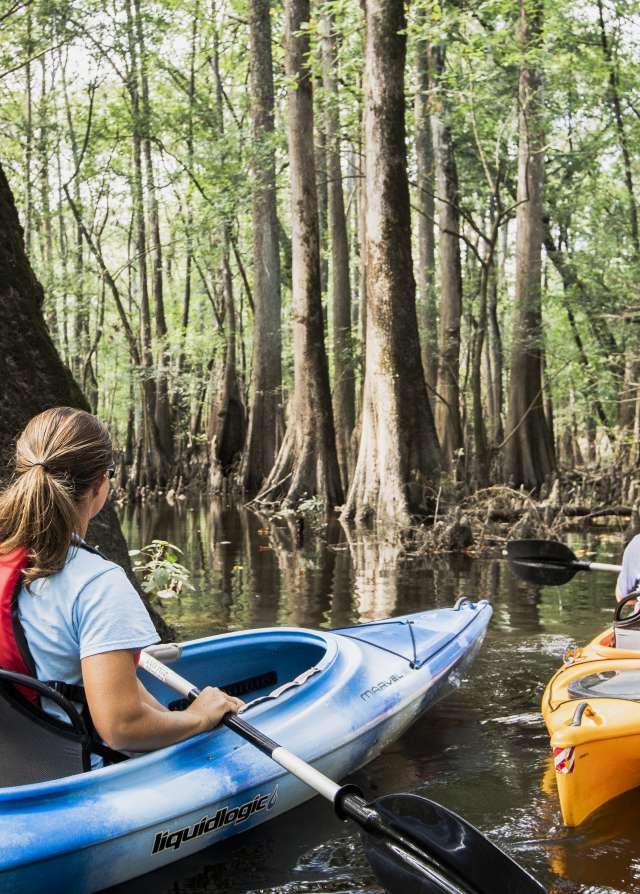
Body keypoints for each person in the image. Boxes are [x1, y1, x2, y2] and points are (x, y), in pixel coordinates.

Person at [0, 406, 242, 764]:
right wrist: (199, 717)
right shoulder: (97, 584)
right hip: (71, 778)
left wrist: (170, 719)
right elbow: (121, 728)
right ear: (101, 484)